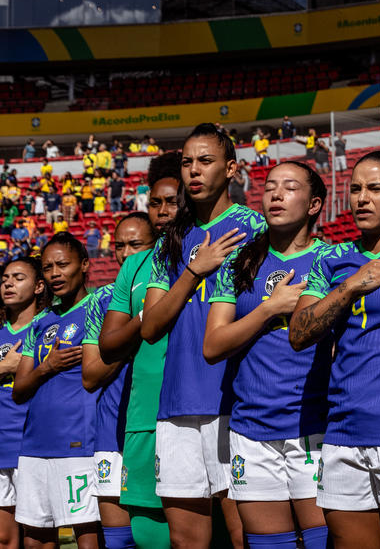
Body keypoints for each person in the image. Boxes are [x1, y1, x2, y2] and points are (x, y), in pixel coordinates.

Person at [289, 151, 380, 549]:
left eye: (374, 188)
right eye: (354, 189)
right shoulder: (334, 259)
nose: (361, 199)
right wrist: (352, 285)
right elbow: (299, 333)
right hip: (343, 434)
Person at [140, 124, 266, 549]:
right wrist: (195, 270)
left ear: (231, 169)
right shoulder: (170, 240)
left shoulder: (255, 228)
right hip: (176, 401)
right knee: (186, 541)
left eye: (206, 161)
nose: (194, 171)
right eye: (187, 162)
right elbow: (151, 326)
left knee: (244, 535)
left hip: (234, 402)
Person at [204, 161, 330, 549]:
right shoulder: (239, 264)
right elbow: (213, 346)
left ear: (314, 204)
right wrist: (269, 309)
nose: (275, 194)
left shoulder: (333, 260)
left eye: (290, 187)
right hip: (251, 428)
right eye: (270, 186)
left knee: (324, 540)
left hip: (315, 424)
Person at [98, 152, 182, 549]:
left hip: (205, 406)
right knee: (147, 530)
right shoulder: (134, 267)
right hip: (144, 411)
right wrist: (144, 319)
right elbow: (109, 343)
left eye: (173, 201)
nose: (163, 210)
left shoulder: (216, 251)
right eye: (156, 202)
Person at [12, 233, 100, 549]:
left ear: (85, 264)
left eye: (62, 264)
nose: (54, 274)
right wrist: (47, 367)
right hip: (34, 443)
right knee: (35, 539)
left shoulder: (100, 306)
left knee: (86, 535)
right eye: (47, 267)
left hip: (77, 440)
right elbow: (19, 389)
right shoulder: (41, 322)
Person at [81, 213, 158, 549]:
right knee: (122, 541)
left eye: (135, 244)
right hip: (113, 428)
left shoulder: (168, 288)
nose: (126, 253)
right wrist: (130, 338)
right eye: (119, 246)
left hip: (159, 421)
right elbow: (91, 375)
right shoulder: (101, 301)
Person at [0, 257, 51, 549]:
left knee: (39, 538)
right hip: (1, 448)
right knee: (4, 539)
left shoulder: (51, 326)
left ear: (38, 286)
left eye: (18, 278)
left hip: (34, 446)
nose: (8, 283)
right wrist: (5, 368)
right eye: (5, 278)